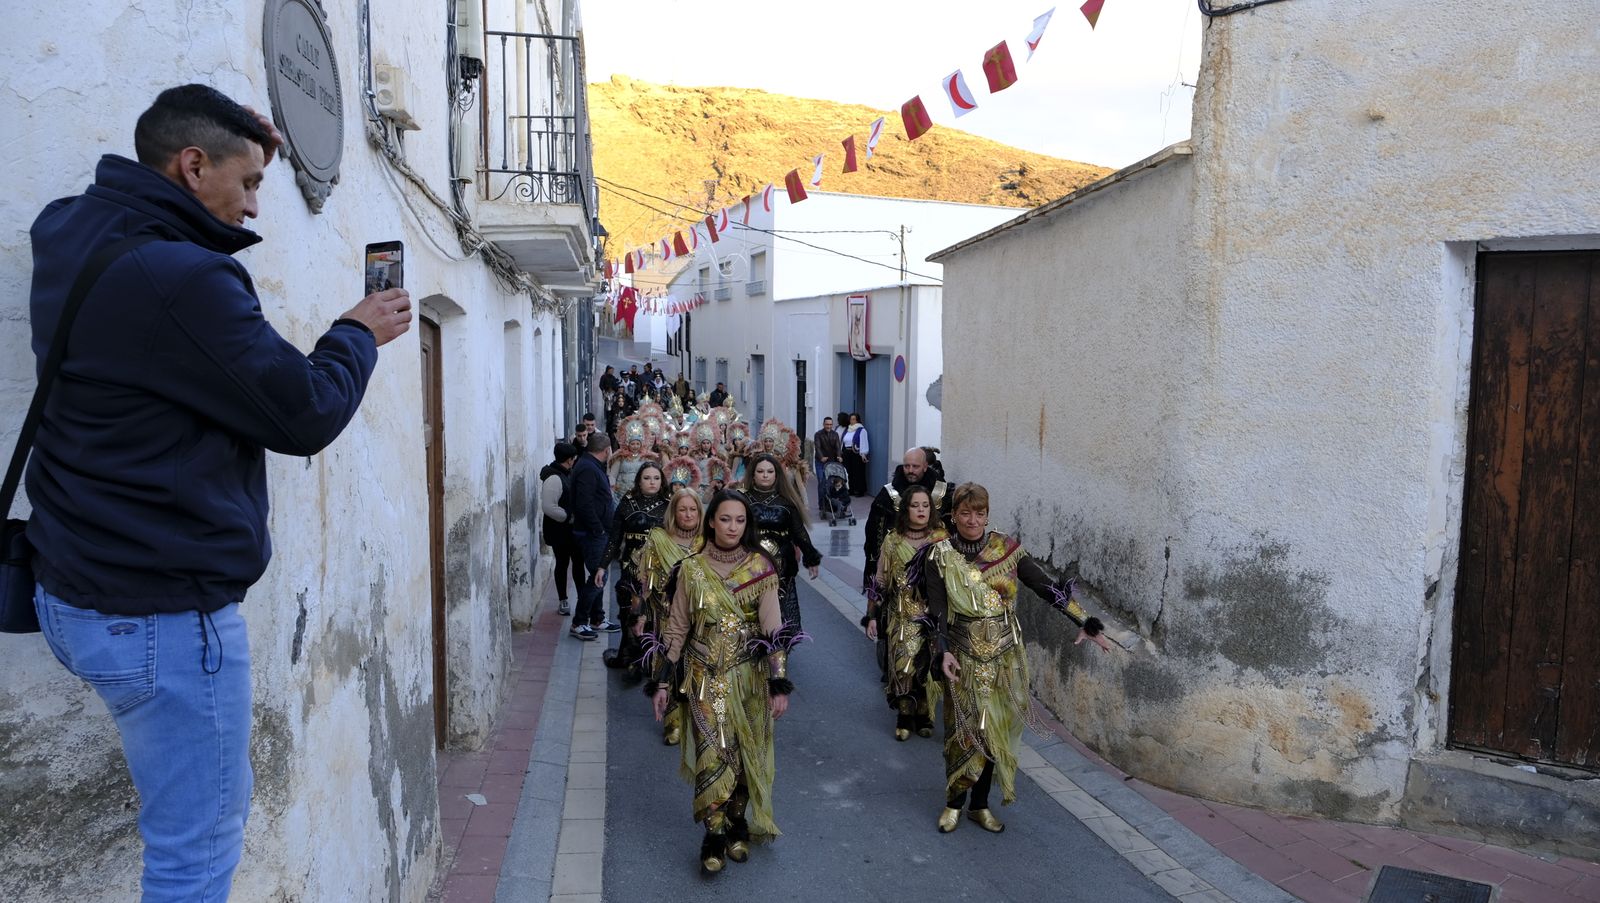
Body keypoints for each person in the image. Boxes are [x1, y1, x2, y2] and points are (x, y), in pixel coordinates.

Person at [24, 84, 411, 900]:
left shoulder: (72, 228)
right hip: (160, 617)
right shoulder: (183, 279)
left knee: (184, 838)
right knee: (195, 856)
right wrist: (356, 332)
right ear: (191, 165)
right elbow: (303, 412)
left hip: (73, 586)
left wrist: (248, 140)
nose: (253, 205)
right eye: (248, 183)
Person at [916, 483, 1112, 834]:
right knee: (962, 731)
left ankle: (980, 805)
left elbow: (1045, 586)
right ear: (953, 515)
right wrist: (942, 651)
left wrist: (1085, 621)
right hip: (962, 656)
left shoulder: (1006, 549)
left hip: (1005, 657)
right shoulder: (939, 555)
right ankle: (954, 802)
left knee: (996, 732)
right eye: (965, 513)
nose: (973, 520)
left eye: (979, 513)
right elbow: (937, 609)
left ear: (988, 514)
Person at [648, 489, 796, 874]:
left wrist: (778, 683)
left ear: (747, 525)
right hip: (703, 678)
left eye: (740, 520)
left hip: (750, 678)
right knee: (712, 755)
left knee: (747, 756)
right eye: (725, 519)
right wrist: (663, 681)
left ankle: (737, 823)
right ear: (710, 521)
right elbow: (677, 627)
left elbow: (773, 630)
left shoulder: (761, 568)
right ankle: (713, 835)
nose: (732, 527)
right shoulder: (691, 569)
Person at [865, 485, 947, 740]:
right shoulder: (893, 540)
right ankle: (903, 715)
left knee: (927, 668)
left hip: (932, 618)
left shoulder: (941, 538)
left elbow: (953, 579)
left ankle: (923, 714)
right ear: (905, 509)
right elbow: (880, 578)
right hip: (901, 617)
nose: (921, 510)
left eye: (925, 505)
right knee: (903, 668)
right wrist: (871, 615)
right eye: (915, 505)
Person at [635, 487, 704, 745]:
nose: (688, 514)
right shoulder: (658, 539)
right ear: (673, 512)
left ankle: (701, 719)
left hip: (701, 622)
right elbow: (645, 581)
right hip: (667, 618)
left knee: (700, 671)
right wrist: (640, 615)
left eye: (693, 509)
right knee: (670, 670)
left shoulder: (708, 541)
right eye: (682, 509)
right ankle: (672, 722)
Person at [598, 462, 670, 674]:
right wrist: (602, 567)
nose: (652, 482)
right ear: (639, 480)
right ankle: (629, 659)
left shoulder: (668, 506)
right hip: (630, 569)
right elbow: (614, 539)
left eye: (656, 478)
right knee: (628, 613)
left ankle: (650, 659)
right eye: (647, 478)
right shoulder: (627, 503)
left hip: (659, 572)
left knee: (653, 615)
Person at [742, 453, 821, 635]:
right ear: (753, 474)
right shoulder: (742, 499)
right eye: (760, 471)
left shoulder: (787, 503)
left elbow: (799, 532)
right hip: (748, 564)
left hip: (781, 566)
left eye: (770, 471)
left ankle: (779, 646)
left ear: (776, 475)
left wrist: (812, 558)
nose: (765, 475)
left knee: (780, 607)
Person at [863, 447, 952, 592]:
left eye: (915, 466)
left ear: (925, 466)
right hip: (896, 565)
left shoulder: (942, 492)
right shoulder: (888, 494)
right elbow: (874, 530)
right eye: (906, 466)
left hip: (934, 567)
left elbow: (950, 529)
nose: (910, 470)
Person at [570, 432, 617, 640]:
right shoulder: (588, 469)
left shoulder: (590, 465)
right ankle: (579, 621)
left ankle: (597, 618)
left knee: (599, 575)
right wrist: (598, 528)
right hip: (592, 534)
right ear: (606, 450)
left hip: (597, 531)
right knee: (599, 576)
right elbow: (584, 503)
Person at [540, 441, 581, 616]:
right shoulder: (554, 478)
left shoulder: (567, 473)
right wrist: (568, 516)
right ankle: (563, 600)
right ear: (570, 460)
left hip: (571, 531)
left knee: (578, 563)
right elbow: (549, 507)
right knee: (562, 564)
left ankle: (582, 598)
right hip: (560, 531)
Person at [811, 415, 843, 515]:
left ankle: (831, 503)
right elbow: (818, 447)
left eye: (830, 424)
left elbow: (838, 446)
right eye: (827, 424)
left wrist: (839, 456)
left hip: (831, 462)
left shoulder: (835, 434)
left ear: (832, 425)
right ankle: (822, 505)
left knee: (831, 482)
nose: (828, 426)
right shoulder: (818, 434)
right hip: (820, 462)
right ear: (823, 424)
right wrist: (821, 457)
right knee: (821, 482)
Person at [842, 413, 870, 496]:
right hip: (847, 453)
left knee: (858, 472)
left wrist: (863, 453)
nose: (852, 421)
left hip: (856, 453)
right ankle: (851, 489)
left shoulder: (861, 430)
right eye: (851, 419)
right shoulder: (847, 430)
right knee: (848, 471)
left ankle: (860, 490)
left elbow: (864, 442)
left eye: (854, 419)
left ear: (857, 420)